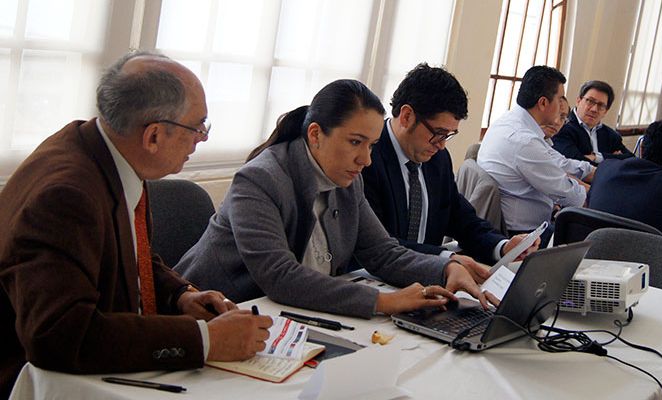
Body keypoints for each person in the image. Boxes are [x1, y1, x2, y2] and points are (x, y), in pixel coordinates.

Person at [0, 51, 272, 398]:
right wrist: (205, 340)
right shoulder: (66, 196)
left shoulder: (103, 149)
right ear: (154, 136)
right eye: (197, 126)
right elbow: (62, 335)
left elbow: (126, 250)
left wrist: (179, 295)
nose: (201, 138)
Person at [174, 79, 488, 320]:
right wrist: (383, 302)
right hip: (210, 316)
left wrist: (444, 269)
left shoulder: (347, 180)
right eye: (355, 142)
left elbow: (383, 253)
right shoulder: (260, 179)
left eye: (372, 145)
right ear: (315, 134)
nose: (366, 159)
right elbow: (280, 276)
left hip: (286, 317)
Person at [361, 64, 538, 279]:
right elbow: (378, 243)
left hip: (428, 283)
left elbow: (461, 218)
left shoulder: (436, 159)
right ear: (407, 116)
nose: (442, 145)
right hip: (377, 279)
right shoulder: (367, 158)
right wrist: (445, 260)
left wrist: (503, 246)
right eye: (438, 133)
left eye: (449, 135)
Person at [478, 66, 591, 245]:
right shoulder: (524, 141)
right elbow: (570, 196)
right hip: (524, 235)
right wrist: (595, 193)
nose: (562, 103)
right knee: (597, 238)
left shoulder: (508, 122)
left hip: (510, 225)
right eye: (560, 97)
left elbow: (555, 163)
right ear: (543, 103)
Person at [553, 80, 633, 165]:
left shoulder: (611, 135)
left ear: (606, 111)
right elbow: (575, 162)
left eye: (601, 105)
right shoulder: (561, 127)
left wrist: (597, 157)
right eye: (590, 101)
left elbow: (631, 159)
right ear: (578, 101)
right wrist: (614, 160)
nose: (594, 109)